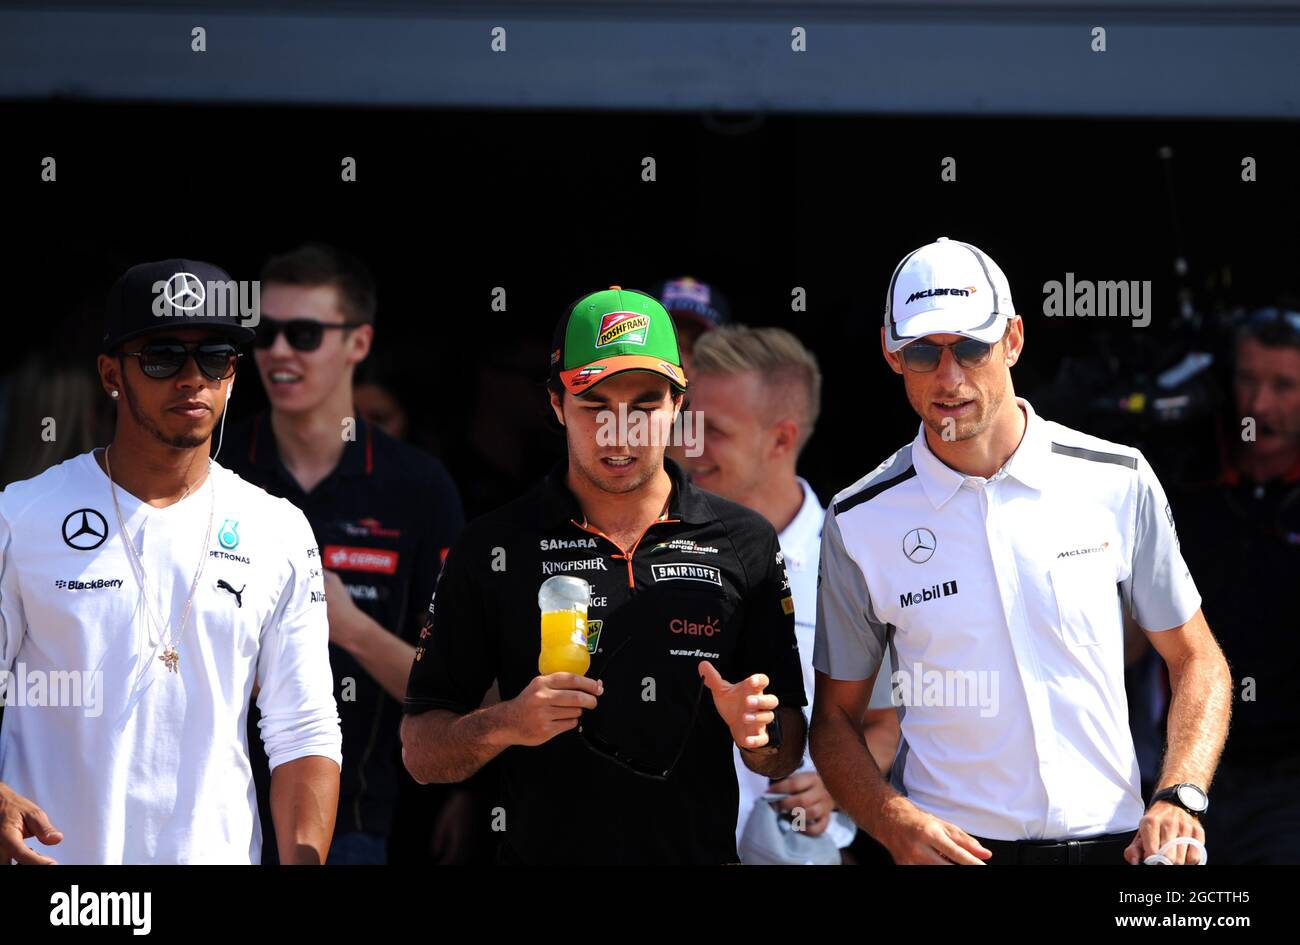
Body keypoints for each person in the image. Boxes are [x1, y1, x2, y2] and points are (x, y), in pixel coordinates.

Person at [810, 237, 1231, 865]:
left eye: (973, 348)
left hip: (1114, 849)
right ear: (891, 354)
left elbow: (1198, 659)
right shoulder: (857, 520)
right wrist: (892, 821)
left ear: (1013, 339)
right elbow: (834, 721)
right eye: (924, 352)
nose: (949, 378)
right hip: (956, 853)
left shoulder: (1118, 478)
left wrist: (1181, 794)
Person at [400, 286, 807, 864]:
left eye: (644, 405)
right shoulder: (492, 546)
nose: (621, 432)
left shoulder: (747, 541)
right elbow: (420, 749)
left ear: (677, 406)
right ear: (556, 404)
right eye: (594, 406)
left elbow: (786, 745)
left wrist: (758, 736)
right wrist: (507, 723)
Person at [0, 259, 341, 864]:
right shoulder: (21, 517)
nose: (192, 378)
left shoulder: (279, 529)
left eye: (215, 356)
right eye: (162, 357)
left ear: (233, 375)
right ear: (111, 373)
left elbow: (303, 729)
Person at [221, 243, 463, 864]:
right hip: (207, 810)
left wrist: (348, 626)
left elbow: (457, 692)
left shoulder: (416, 486)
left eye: (303, 334)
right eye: (266, 333)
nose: (278, 351)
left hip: (356, 820)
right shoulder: (214, 467)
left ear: (358, 343)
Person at [687, 325, 896, 863]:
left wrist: (837, 787)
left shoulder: (855, 564)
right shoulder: (647, 547)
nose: (686, 446)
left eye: (714, 431)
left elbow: (884, 724)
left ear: (781, 439)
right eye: (684, 423)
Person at [1172, 305, 1300, 863]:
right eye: (1248, 380)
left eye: (1284, 386)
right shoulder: (1185, 480)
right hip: (1186, 769)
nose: (1260, 405)